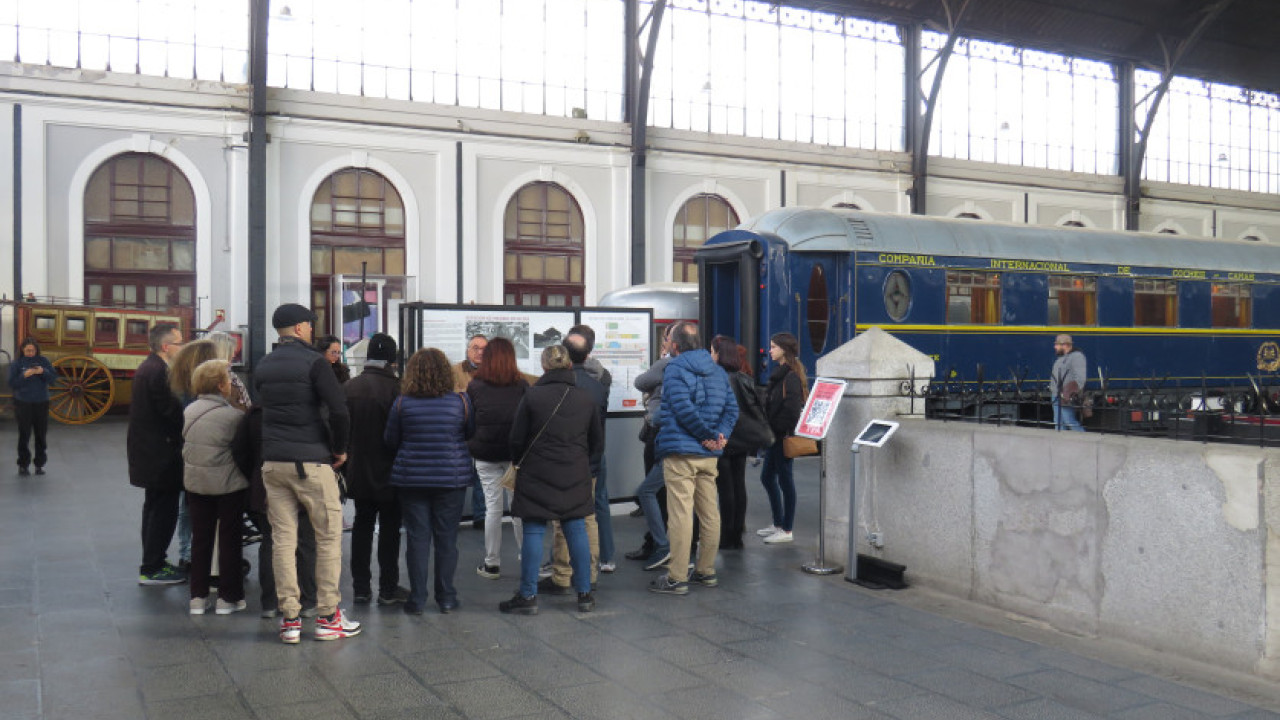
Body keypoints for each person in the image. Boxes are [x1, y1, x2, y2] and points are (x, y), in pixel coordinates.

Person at [254, 303, 358, 643]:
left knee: (283, 540)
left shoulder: (265, 364)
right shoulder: (314, 362)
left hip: (273, 462)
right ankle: (328, 616)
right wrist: (339, 449)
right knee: (328, 536)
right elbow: (340, 410)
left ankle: (290, 620)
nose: (313, 330)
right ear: (299, 328)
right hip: (310, 460)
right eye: (310, 325)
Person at [499, 345, 602, 615]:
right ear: (569, 366)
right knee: (576, 528)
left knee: (533, 529)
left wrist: (521, 461)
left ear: (544, 367)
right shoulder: (585, 398)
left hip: (537, 473)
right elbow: (596, 442)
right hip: (575, 472)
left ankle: (528, 595)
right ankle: (584, 594)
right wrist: (583, 465)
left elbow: (516, 439)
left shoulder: (532, 396)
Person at [649, 322, 737, 595]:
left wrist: (706, 435)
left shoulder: (675, 368)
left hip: (681, 451)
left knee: (680, 514)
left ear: (674, 346)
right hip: (709, 455)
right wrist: (719, 436)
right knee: (710, 513)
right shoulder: (718, 371)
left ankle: (676, 577)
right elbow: (732, 408)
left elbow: (681, 408)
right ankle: (706, 571)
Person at [385, 348, 475, 615]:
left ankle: (417, 599)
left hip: (412, 479)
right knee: (447, 539)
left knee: (417, 539)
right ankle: (446, 597)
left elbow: (390, 440)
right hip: (451, 478)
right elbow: (469, 433)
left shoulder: (402, 403)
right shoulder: (461, 402)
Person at [538, 326, 610, 593]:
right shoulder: (598, 386)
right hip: (587, 463)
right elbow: (598, 432)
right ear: (587, 355)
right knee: (588, 519)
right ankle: (590, 574)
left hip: (560, 465)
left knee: (561, 520)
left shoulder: (554, 387)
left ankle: (561, 575)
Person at [343, 333, 408, 606]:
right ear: (393, 360)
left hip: (357, 469)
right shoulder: (399, 390)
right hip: (392, 471)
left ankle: (360, 588)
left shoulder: (349, 387)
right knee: (390, 530)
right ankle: (388, 588)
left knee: (361, 526)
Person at [181, 359, 250, 615]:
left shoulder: (189, 411)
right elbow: (243, 451)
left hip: (195, 482)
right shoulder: (233, 416)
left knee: (200, 539)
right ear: (222, 386)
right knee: (230, 540)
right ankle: (228, 597)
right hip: (227, 484)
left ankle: (197, 597)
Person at [129, 323, 188, 585]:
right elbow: (172, 413)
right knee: (163, 512)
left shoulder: (149, 367)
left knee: (153, 509)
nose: (183, 346)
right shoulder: (159, 372)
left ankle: (153, 561)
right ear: (166, 347)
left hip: (149, 451)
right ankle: (153, 567)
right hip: (161, 454)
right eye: (179, 342)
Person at [465, 337, 530, 580]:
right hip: (516, 457)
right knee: (518, 507)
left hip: (485, 454)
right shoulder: (522, 386)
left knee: (493, 508)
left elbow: (469, 421)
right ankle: (527, 557)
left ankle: (492, 564)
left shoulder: (475, 386)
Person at [712, 336, 770, 550]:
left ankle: (727, 536)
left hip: (723, 438)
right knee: (739, 485)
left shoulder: (718, 379)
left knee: (725, 488)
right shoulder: (745, 378)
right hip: (742, 439)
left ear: (720, 354)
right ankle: (737, 533)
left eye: (713, 351)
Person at [628, 324, 675, 564]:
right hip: (695, 444)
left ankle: (660, 545)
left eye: (666, 338)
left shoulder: (666, 364)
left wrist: (653, 417)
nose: (664, 342)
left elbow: (640, 381)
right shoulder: (705, 368)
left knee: (650, 490)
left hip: (663, 435)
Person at [757, 332, 806, 545]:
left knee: (785, 480)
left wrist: (776, 428)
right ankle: (778, 523)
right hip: (774, 437)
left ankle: (787, 529)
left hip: (782, 437)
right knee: (767, 477)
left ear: (783, 351)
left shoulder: (790, 377)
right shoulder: (781, 374)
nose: (770, 350)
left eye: (773, 347)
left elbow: (792, 411)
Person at [453, 334, 488, 531]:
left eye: (484, 349)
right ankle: (454, 515)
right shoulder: (455, 371)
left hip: (484, 430)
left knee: (482, 476)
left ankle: (481, 516)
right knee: (459, 473)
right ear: (468, 350)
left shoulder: (493, 372)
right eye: (476, 348)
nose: (480, 352)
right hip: (460, 430)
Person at [9, 337, 55, 476]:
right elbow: (12, 383)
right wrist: (24, 375)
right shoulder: (17, 364)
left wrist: (43, 372)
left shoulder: (44, 361)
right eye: (27, 350)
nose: (30, 352)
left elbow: (53, 379)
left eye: (33, 350)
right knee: (24, 434)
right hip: (23, 403)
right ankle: (23, 465)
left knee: (41, 435)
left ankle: (39, 465)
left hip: (41, 402)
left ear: (36, 350)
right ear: (22, 350)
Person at [1049, 333, 1087, 432]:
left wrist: (1070, 393)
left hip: (1065, 396)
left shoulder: (1077, 357)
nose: (1054, 347)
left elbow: (1080, 378)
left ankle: (1084, 441)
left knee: (1069, 421)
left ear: (1065, 345)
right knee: (1058, 423)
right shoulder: (1061, 358)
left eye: (1057, 344)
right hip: (1056, 394)